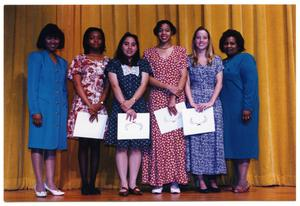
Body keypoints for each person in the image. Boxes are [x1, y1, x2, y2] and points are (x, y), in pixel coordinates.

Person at [141, 20, 188, 194]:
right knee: (158, 140)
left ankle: (175, 181)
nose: (164, 33)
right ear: (156, 32)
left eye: (167, 30)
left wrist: (174, 96)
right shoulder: (148, 53)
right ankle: (158, 180)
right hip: (157, 97)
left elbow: (183, 75)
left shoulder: (181, 51)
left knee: (176, 139)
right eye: (160, 30)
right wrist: (168, 87)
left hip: (176, 97)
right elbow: (147, 78)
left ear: (172, 32)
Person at [105, 32, 151, 196]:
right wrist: (125, 105)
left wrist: (131, 103)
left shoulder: (143, 63)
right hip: (120, 108)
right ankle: (124, 184)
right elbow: (115, 86)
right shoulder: (113, 64)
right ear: (121, 45)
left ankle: (133, 184)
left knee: (136, 147)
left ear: (137, 47)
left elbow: (144, 84)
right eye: (126, 43)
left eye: (133, 44)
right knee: (122, 147)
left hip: (139, 108)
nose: (130, 47)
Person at [67, 27, 109, 195]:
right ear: (86, 40)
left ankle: (92, 183)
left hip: (99, 107)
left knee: (96, 146)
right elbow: (76, 84)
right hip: (83, 106)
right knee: (84, 145)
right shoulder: (79, 59)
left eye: (99, 38)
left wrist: (100, 103)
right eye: (92, 38)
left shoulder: (108, 61)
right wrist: (89, 104)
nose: (95, 41)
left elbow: (108, 86)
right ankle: (85, 184)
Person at [184, 26, 226, 193]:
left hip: (212, 103)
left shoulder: (216, 60)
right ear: (194, 40)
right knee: (197, 142)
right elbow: (186, 82)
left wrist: (211, 102)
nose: (201, 40)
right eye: (198, 37)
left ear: (208, 41)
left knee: (214, 141)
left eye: (204, 37)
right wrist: (192, 102)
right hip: (194, 102)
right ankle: (200, 179)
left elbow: (219, 83)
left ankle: (213, 178)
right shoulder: (188, 60)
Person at [27, 23, 67, 197]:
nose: (53, 41)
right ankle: (39, 184)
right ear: (43, 39)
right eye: (50, 37)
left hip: (58, 110)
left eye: (56, 38)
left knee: (52, 147)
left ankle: (50, 182)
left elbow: (64, 89)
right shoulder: (36, 57)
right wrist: (34, 110)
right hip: (41, 109)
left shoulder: (62, 62)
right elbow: (32, 86)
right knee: (38, 145)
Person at [219, 29, 259, 193]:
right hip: (227, 110)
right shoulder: (223, 62)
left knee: (243, 144)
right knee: (234, 145)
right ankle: (238, 180)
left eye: (232, 43)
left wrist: (247, 107)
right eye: (226, 43)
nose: (229, 46)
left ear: (239, 44)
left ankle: (243, 182)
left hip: (242, 108)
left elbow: (251, 85)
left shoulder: (246, 59)